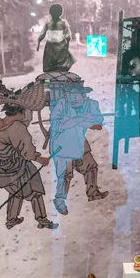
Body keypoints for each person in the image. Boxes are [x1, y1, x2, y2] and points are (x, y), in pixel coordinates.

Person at [0, 102, 58, 230]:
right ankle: (42, 219)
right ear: (19, 112)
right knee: (35, 189)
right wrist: (40, 159)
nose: (26, 115)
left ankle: (11, 220)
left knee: (16, 192)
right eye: (24, 112)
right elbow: (27, 150)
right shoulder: (16, 128)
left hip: (0, 167)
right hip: (18, 166)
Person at [49, 80, 108, 215]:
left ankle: (93, 193)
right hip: (61, 144)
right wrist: (79, 120)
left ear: (83, 95)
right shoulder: (61, 104)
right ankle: (60, 200)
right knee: (65, 174)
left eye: (75, 96)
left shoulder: (91, 104)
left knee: (91, 166)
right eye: (70, 96)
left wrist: (78, 121)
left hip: (79, 142)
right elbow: (57, 125)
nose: (73, 99)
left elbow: (98, 124)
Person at [37, 3, 76, 73]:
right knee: (63, 61)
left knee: (49, 62)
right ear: (61, 13)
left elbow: (42, 33)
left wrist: (39, 41)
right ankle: (60, 73)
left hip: (50, 46)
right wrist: (67, 43)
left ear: (50, 13)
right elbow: (68, 35)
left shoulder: (49, 22)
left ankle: (51, 74)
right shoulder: (63, 22)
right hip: (61, 45)